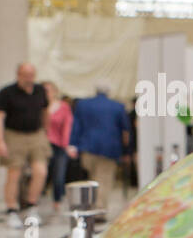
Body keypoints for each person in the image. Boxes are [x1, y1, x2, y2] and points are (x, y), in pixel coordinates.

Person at [0, 62, 50, 228]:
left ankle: (32, 205)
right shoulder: (6, 93)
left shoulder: (40, 90)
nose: (29, 78)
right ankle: (12, 209)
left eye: (31, 75)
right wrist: (0, 141)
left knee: (41, 171)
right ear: (18, 75)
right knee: (14, 173)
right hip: (14, 135)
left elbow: (45, 112)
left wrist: (46, 130)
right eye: (25, 75)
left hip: (36, 133)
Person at [68, 83, 130, 212]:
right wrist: (126, 151)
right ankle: (99, 210)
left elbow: (76, 126)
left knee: (92, 178)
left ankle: (92, 206)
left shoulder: (83, 105)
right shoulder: (117, 106)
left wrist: (73, 144)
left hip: (87, 147)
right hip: (109, 149)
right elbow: (125, 132)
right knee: (103, 179)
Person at [44, 81, 74, 213]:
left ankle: (57, 201)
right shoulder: (40, 107)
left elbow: (68, 125)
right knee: (42, 173)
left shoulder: (63, 107)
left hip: (59, 145)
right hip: (43, 145)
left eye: (49, 90)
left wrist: (66, 144)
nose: (47, 93)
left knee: (59, 175)